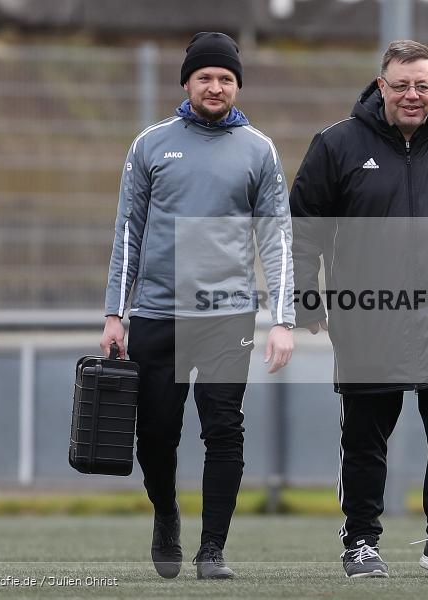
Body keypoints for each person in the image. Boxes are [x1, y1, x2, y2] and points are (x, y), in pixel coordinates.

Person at [290, 40, 428, 578]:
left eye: (422, 85)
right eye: (401, 85)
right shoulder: (336, 145)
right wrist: (304, 299)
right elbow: (300, 230)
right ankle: (361, 542)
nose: (412, 95)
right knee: (364, 439)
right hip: (368, 321)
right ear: (381, 86)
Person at [100, 32, 295, 580]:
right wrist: (116, 314)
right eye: (206, 77)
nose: (216, 86)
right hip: (157, 315)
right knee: (156, 435)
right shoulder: (151, 145)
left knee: (223, 429)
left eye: (226, 79)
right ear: (187, 82)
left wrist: (282, 320)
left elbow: (276, 240)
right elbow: (128, 234)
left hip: (226, 314)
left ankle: (213, 550)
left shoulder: (259, 149)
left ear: (237, 86)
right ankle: (166, 514)